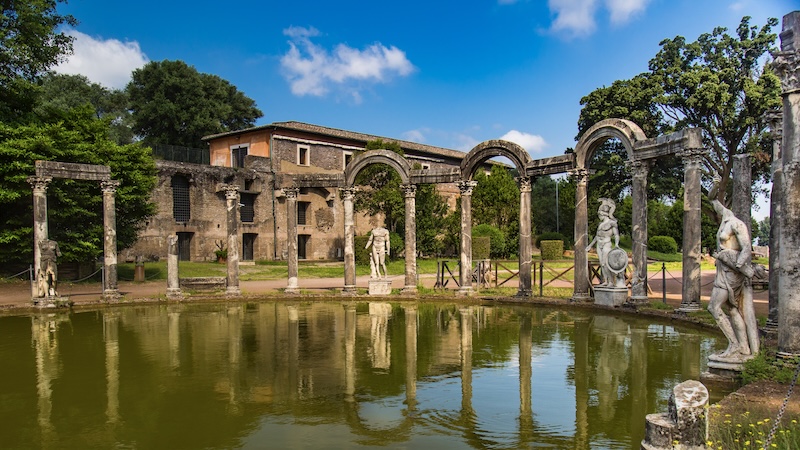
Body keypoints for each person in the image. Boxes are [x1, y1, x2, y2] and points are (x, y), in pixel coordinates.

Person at [707, 177, 759, 359]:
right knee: (733, 309)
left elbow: (746, 247)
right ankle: (743, 347)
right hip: (723, 269)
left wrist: (737, 265)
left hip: (732, 272)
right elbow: (711, 199)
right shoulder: (725, 218)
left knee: (714, 308)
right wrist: (715, 185)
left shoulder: (737, 224)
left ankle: (734, 344)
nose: (719, 209)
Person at [586, 198, 623, 287]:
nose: (599, 216)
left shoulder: (612, 223)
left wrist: (617, 244)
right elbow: (597, 236)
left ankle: (611, 281)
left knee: (606, 263)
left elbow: (616, 235)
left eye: (600, 214)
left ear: (604, 214)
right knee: (602, 264)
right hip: (599, 244)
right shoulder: (600, 224)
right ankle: (606, 281)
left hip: (607, 243)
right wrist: (590, 246)